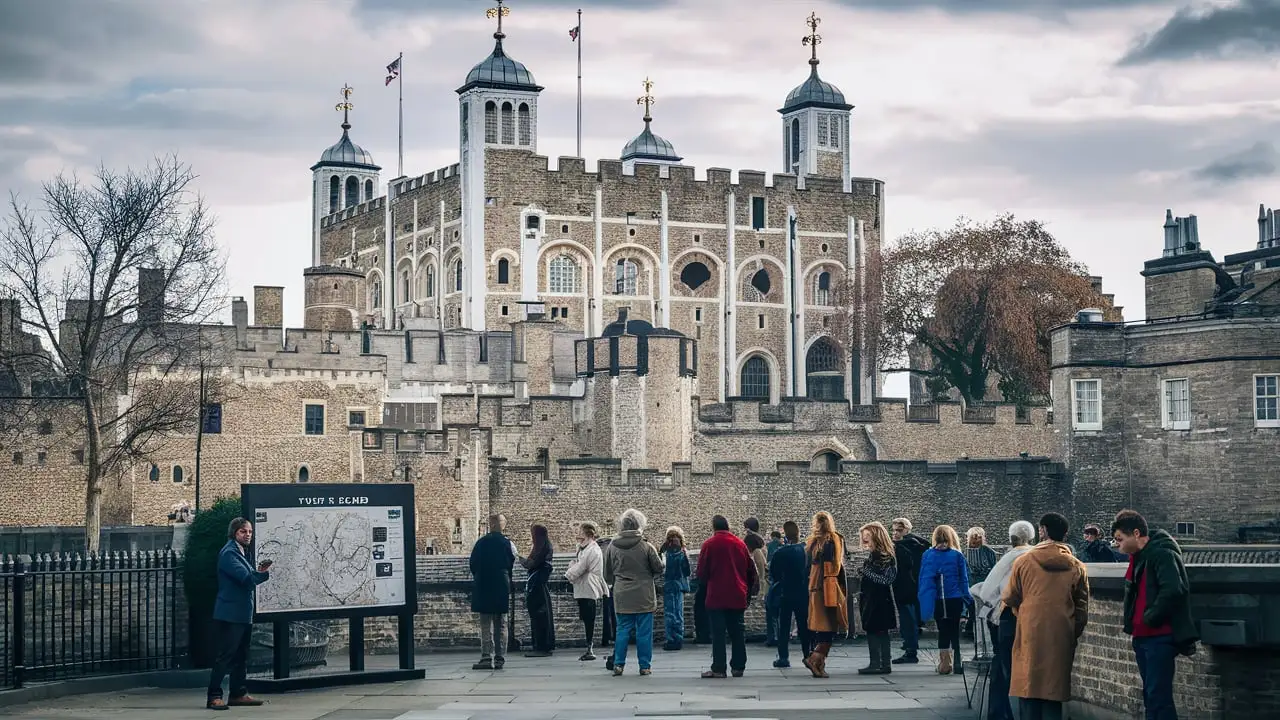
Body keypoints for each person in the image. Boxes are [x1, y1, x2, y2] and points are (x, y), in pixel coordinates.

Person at [1003, 513, 1090, 720]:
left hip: (1030, 630)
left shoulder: (1023, 562)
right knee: (1053, 690)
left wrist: (1023, 612)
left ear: (1042, 531)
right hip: (1060, 632)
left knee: (1029, 686)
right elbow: (1082, 607)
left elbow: (1010, 596)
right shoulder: (1077, 566)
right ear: (1065, 534)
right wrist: (1071, 630)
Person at [1112, 509, 1197, 720]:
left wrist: (1149, 617)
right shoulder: (1138, 558)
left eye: (1120, 539)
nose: (1117, 545)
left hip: (1159, 636)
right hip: (1142, 637)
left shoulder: (1162, 554)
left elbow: (1174, 589)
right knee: (1151, 696)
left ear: (1137, 533)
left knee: (1158, 696)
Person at [206, 517, 271, 711]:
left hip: (243, 613)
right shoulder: (229, 553)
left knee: (241, 655)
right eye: (243, 532)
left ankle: (238, 693)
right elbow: (245, 579)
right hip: (230, 613)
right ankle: (214, 696)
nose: (248, 535)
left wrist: (258, 572)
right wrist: (261, 572)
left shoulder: (242, 552)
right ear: (235, 533)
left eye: (249, 531)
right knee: (225, 656)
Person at [974, 520, 1036, 720]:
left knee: (1002, 662)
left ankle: (999, 711)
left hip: (1006, 614)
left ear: (1011, 539)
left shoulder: (1009, 558)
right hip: (1030, 615)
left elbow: (988, 590)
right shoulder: (1035, 556)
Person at [604, 508, 665, 676]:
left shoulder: (612, 547)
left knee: (622, 630)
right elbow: (658, 568)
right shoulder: (646, 545)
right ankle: (644, 666)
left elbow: (607, 573)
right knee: (644, 632)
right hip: (644, 593)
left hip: (622, 593)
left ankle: (618, 664)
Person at [698, 514, 755, 678]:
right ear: (728, 526)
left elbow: (702, 572)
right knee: (737, 631)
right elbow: (750, 570)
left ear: (714, 527)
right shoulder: (740, 544)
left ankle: (719, 668)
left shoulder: (709, 544)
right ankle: (738, 667)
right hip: (737, 593)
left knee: (718, 633)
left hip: (716, 595)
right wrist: (748, 591)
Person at [918, 524, 971, 675]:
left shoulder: (928, 555)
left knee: (942, 630)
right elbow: (964, 580)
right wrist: (967, 600)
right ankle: (957, 662)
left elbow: (924, 579)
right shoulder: (957, 555)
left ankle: (944, 663)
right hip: (954, 598)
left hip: (937, 599)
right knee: (954, 630)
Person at [470, 514, 516, 671]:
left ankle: (485, 656)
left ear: (490, 525)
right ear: (502, 525)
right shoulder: (508, 543)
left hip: (483, 583)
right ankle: (499, 657)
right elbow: (512, 562)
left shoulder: (480, 543)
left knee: (485, 623)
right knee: (500, 623)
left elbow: (473, 564)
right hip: (500, 584)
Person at [804, 511, 848, 679]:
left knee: (823, 628)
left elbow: (808, 566)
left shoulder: (812, 543)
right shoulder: (833, 540)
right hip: (827, 588)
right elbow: (834, 566)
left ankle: (819, 664)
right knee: (829, 627)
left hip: (814, 588)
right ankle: (814, 659)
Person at [857, 522, 898, 675]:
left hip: (879, 599)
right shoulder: (877, 555)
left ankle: (879, 663)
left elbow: (887, 579)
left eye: (867, 537)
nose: (865, 540)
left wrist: (866, 572)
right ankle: (881, 663)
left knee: (877, 630)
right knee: (877, 630)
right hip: (872, 598)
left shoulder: (885, 556)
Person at [769, 520, 810, 668]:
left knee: (784, 626)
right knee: (804, 625)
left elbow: (774, 573)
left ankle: (783, 657)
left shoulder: (781, 552)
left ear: (785, 534)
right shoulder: (807, 550)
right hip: (803, 591)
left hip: (786, 592)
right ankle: (808, 654)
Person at [565, 521, 609, 662]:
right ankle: (588, 647)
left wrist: (568, 574)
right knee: (586, 618)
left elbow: (580, 567)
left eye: (581, 532)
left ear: (588, 534)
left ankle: (590, 648)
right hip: (584, 586)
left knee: (589, 619)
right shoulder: (584, 548)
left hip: (589, 587)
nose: (578, 534)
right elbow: (577, 564)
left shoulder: (591, 550)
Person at [890, 517, 929, 664]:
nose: (895, 533)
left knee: (908, 620)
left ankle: (911, 652)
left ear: (907, 530)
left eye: (899, 530)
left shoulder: (904, 546)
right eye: (894, 530)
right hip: (914, 587)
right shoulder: (919, 544)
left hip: (906, 587)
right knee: (910, 619)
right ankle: (909, 646)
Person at [520, 523, 555, 657]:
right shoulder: (546, 546)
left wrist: (520, 558)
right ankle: (541, 644)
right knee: (540, 615)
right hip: (540, 586)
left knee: (539, 615)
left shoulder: (541, 548)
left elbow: (531, 563)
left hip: (537, 586)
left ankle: (541, 646)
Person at [965, 527, 998, 654]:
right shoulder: (965, 552)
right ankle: (972, 628)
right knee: (972, 606)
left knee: (984, 607)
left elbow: (994, 567)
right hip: (971, 580)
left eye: (978, 537)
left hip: (985, 581)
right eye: (973, 537)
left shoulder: (988, 551)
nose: (975, 540)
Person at [661, 526, 691, 651]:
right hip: (676, 585)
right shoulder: (676, 552)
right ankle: (676, 639)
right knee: (676, 613)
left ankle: (673, 639)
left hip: (671, 585)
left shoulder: (667, 552)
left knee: (672, 613)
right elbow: (687, 572)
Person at [765, 529, 784, 646]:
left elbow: (768, 566)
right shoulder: (783, 547)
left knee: (771, 612)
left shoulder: (769, 546)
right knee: (781, 614)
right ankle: (780, 637)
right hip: (783, 586)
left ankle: (773, 638)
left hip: (773, 585)